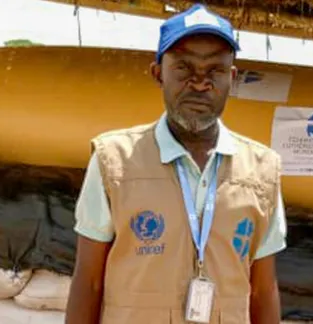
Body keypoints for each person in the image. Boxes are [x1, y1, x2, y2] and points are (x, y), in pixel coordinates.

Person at [65, 4, 287, 324]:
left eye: (216, 70)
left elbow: (263, 291)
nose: (200, 83)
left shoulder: (263, 170)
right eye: (184, 67)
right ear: (158, 73)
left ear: (232, 78)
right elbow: (89, 281)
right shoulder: (113, 160)